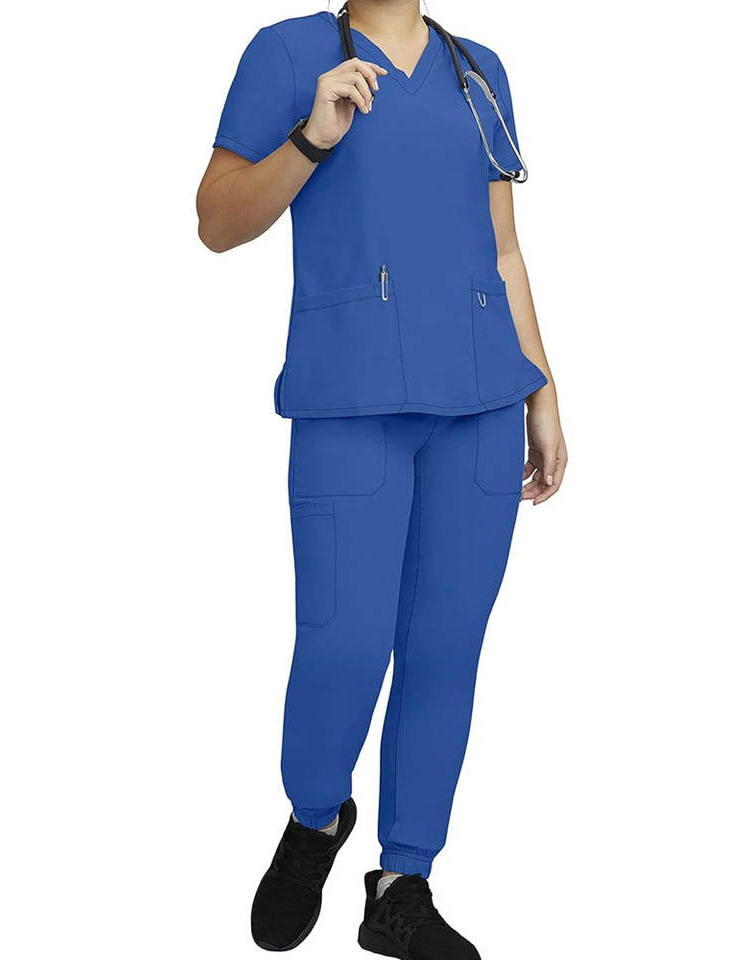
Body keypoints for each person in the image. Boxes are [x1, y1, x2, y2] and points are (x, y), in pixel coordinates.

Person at [196, 2, 567, 956]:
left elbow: (505, 247)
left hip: (481, 404)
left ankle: (403, 882)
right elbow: (215, 221)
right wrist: (310, 140)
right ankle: (316, 815)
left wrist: (542, 387)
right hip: (351, 401)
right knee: (345, 645)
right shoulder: (288, 54)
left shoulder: (478, 69)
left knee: (445, 651)